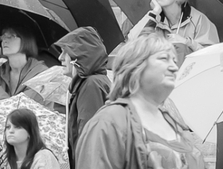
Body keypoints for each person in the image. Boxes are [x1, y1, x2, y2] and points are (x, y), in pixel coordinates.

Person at [74, 34, 205, 169]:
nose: (174, 68)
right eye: (164, 59)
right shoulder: (109, 121)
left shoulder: (170, 118)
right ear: (136, 67)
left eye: (174, 61)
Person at [126, 0, 218, 62]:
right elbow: (131, 43)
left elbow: (212, 55)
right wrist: (154, 12)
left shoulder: (199, 19)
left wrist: (187, 42)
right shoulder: (154, 17)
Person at [53, 27, 110, 167]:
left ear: (79, 56)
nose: (60, 58)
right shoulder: (92, 83)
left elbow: (89, 139)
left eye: (65, 52)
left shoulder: (91, 85)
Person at [0, 23, 49, 101]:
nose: (5, 41)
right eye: (3, 37)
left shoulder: (41, 74)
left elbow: (17, 110)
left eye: (11, 36)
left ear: (25, 39)